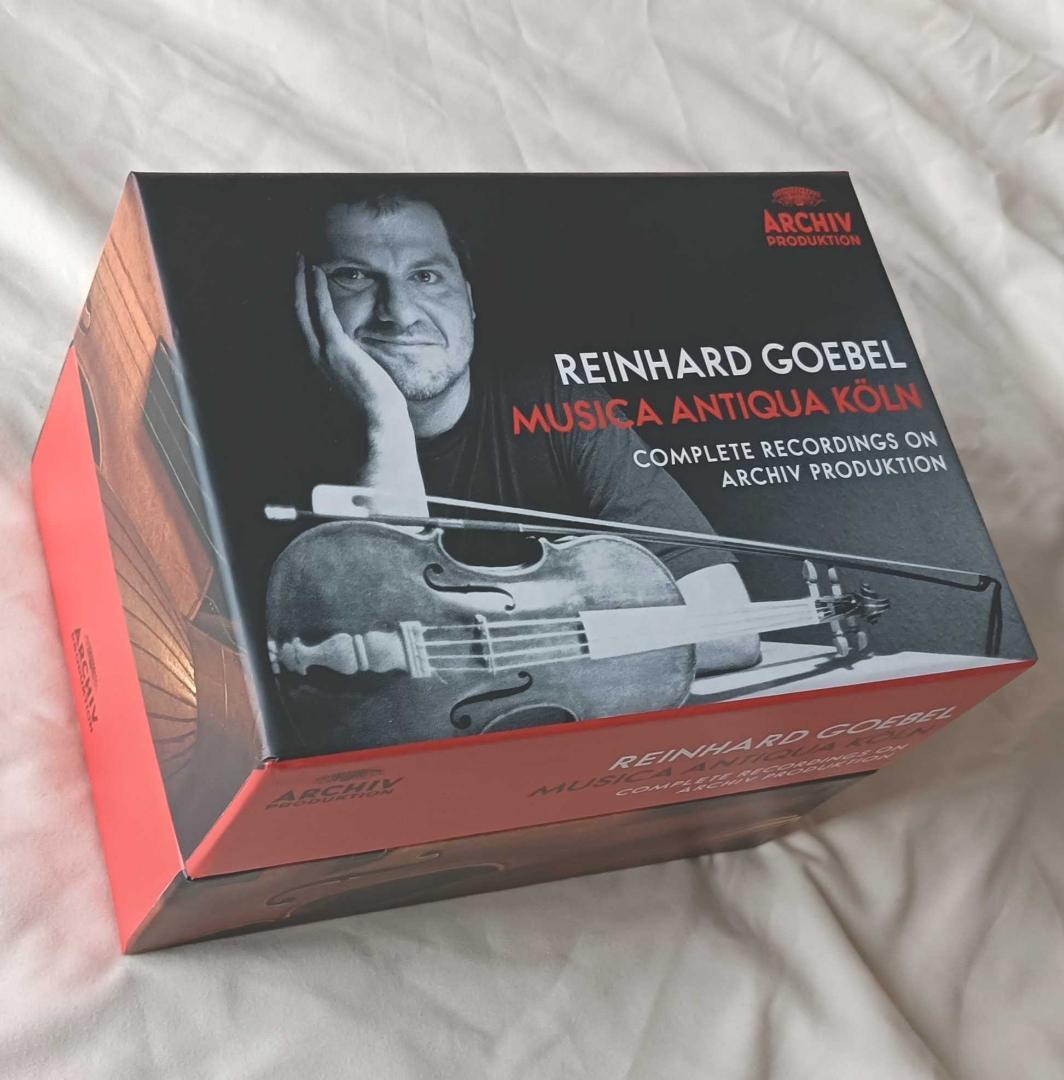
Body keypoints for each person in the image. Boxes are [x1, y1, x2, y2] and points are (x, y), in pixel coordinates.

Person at [294, 191, 761, 676]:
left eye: (426, 276)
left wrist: (505, 652)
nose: (400, 312)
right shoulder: (271, 443)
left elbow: (726, 628)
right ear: (307, 300)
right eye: (354, 276)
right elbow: (381, 669)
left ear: (469, 299)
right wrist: (385, 419)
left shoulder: (555, 403)